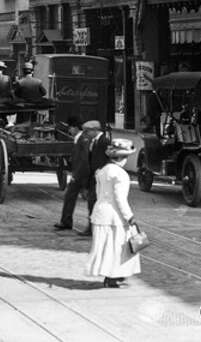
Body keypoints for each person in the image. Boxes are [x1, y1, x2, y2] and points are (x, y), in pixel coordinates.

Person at [85, 138, 141, 288]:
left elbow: (98, 193)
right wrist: (130, 217)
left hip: (100, 213)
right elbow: (120, 199)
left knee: (106, 247)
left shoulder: (102, 171)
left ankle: (110, 277)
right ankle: (114, 278)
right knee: (118, 248)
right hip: (115, 216)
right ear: (123, 158)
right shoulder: (120, 174)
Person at [54, 119, 99, 233]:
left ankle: (88, 226)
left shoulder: (83, 139)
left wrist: (77, 175)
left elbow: (83, 160)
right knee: (72, 197)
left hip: (82, 174)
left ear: (75, 128)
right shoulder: (81, 138)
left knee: (89, 200)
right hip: (81, 173)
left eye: (70, 128)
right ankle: (67, 221)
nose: (69, 130)